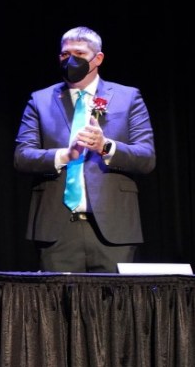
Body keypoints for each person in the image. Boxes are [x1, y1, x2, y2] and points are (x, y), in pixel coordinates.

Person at [14, 26, 156, 273]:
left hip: (113, 229)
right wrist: (65, 155)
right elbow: (22, 157)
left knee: (113, 308)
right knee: (57, 308)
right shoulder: (40, 100)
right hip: (57, 230)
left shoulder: (128, 97)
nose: (70, 60)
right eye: (64, 54)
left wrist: (106, 147)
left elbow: (146, 157)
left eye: (78, 53)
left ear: (97, 59)